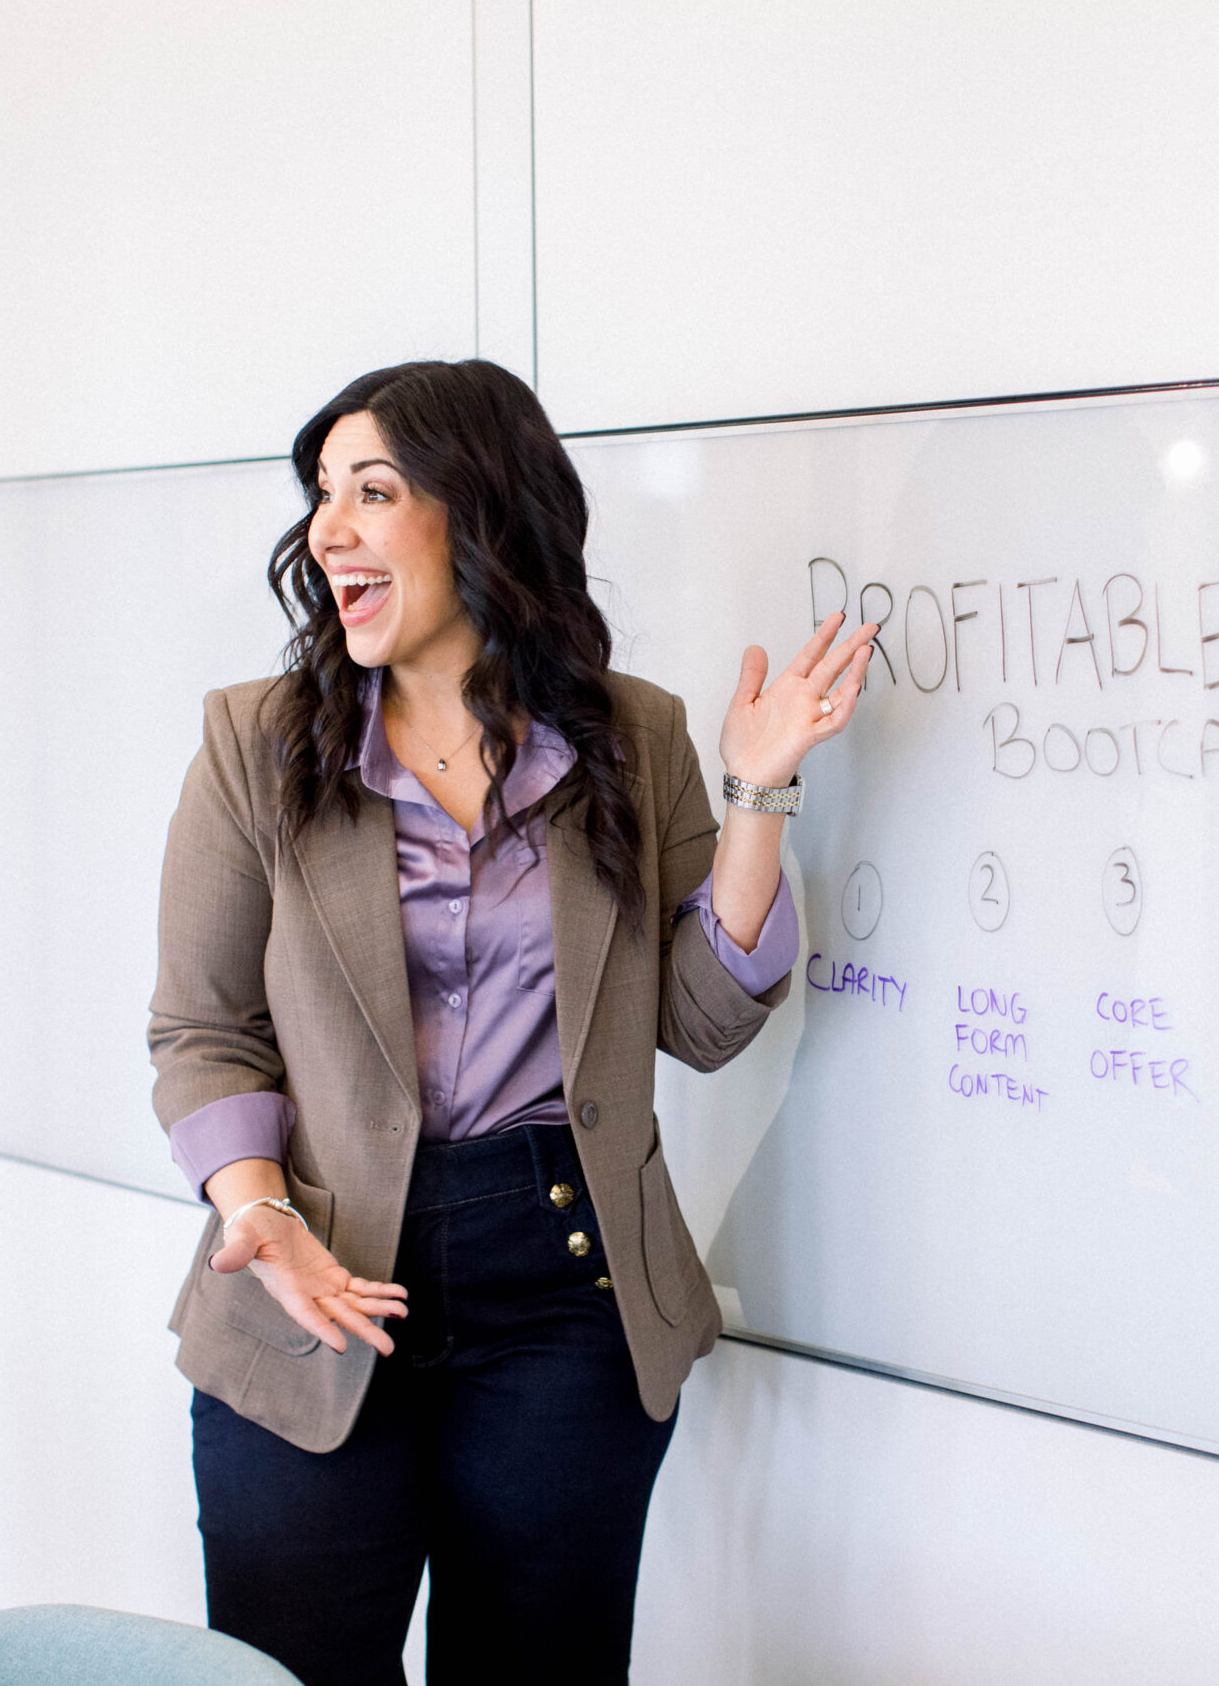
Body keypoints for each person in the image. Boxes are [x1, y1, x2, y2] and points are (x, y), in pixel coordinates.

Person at [147, 359, 876, 1686]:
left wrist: (757, 795)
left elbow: (706, 1023)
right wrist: (259, 1219)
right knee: (292, 1669)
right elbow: (202, 1032)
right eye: (323, 495)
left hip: (565, 1280)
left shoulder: (632, 741)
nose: (331, 530)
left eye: (374, 490)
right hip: (314, 1276)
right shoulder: (256, 746)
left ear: (478, 512)